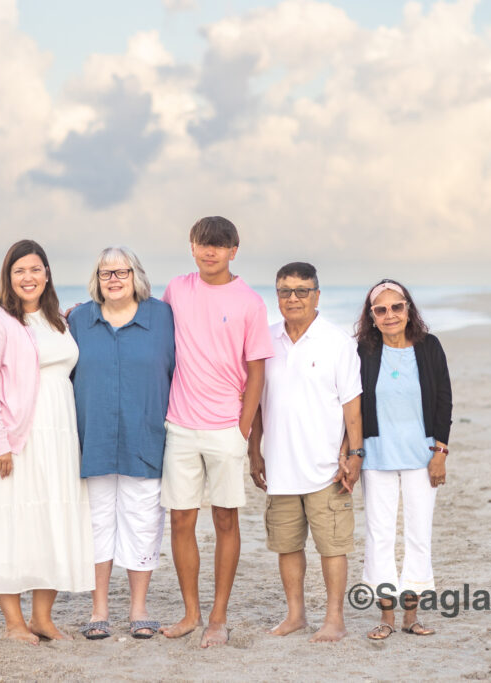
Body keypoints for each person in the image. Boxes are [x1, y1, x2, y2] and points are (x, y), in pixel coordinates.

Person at [0, 239, 94, 645]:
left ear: (47, 274)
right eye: (19, 271)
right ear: (8, 277)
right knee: (9, 521)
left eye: (35, 269)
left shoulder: (59, 320)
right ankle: (14, 623)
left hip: (57, 433)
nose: (28, 277)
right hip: (9, 436)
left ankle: (41, 618)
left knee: (51, 519)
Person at [159, 216, 274, 648]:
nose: (210, 252)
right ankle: (191, 612)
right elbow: (144, 324)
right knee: (181, 518)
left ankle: (218, 617)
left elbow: (257, 370)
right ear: (192, 246)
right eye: (203, 244)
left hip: (227, 427)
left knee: (225, 519)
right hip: (181, 425)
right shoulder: (176, 289)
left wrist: (243, 429)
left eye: (219, 245)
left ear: (233, 250)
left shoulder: (250, 302)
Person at [247, 262, 363, 643]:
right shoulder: (264, 341)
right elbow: (257, 402)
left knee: (333, 546)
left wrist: (354, 454)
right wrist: (255, 452)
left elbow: (352, 406)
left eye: (301, 290)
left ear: (317, 295)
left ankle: (334, 620)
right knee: (287, 545)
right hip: (280, 467)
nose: (292, 298)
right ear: (276, 295)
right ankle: (295, 615)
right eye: (284, 291)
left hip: (327, 467)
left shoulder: (337, 342)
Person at [68, 246, 176, 641]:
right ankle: (99, 609)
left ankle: (139, 608)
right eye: (105, 273)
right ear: (96, 280)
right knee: (96, 524)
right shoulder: (78, 319)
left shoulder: (163, 316)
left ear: (137, 276)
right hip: (92, 437)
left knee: (143, 521)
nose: (113, 279)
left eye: (121, 272)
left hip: (145, 435)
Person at [354, 278, 452, 640]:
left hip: (422, 456)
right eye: (381, 309)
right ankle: (386, 617)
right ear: (372, 316)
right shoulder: (363, 350)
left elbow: (444, 400)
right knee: (378, 536)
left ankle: (411, 615)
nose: (390, 314)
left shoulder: (429, 348)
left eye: (397, 307)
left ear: (409, 309)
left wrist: (440, 451)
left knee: (418, 534)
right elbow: (349, 404)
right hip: (376, 456)